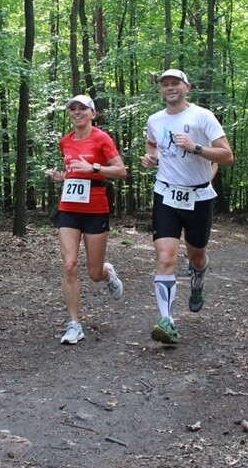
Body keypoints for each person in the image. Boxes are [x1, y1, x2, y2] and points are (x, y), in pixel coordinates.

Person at [141, 69, 234, 345]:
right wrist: (151, 157)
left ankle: (198, 280)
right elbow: (152, 144)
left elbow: (227, 156)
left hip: (199, 197)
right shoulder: (155, 120)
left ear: (187, 87)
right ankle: (166, 321)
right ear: (160, 90)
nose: (170, 88)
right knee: (166, 258)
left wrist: (196, 148)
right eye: (165, 84)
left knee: (196, 256)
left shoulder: (202, 116)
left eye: (175, 84)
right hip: (166, 195)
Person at [45, 95, 128, 345]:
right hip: (68, 207)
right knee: (69, 265)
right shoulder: (65, 141)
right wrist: (62, 177)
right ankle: (74, 324)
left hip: (95, 207)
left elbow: (121, 171)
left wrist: (94, 168)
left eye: (83, 108)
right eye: (73, 109)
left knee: (94, 272)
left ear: (93, 113)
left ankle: (108, 273)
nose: (77, 112)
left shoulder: (101, 138)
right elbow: (73, 171)